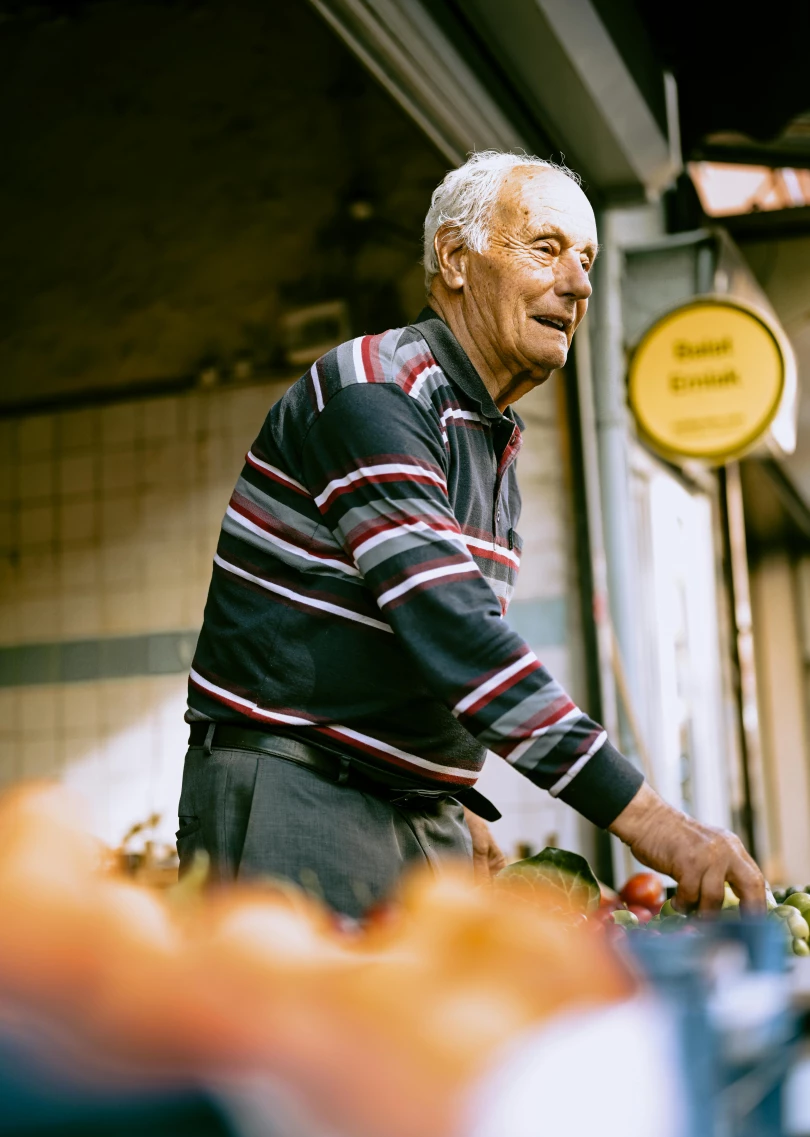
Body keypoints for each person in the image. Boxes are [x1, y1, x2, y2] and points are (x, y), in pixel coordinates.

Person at [178, 150, 765, 919]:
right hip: (302, 794)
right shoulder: (376, 393)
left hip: (405, 805)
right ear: (456, 259)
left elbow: (418, 643)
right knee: (322, 1037)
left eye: (585, 260)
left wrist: (449, 784)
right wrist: (653, 821)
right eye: (546, 248)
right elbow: (456, 632)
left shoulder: (486, 432)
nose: (580, 284)